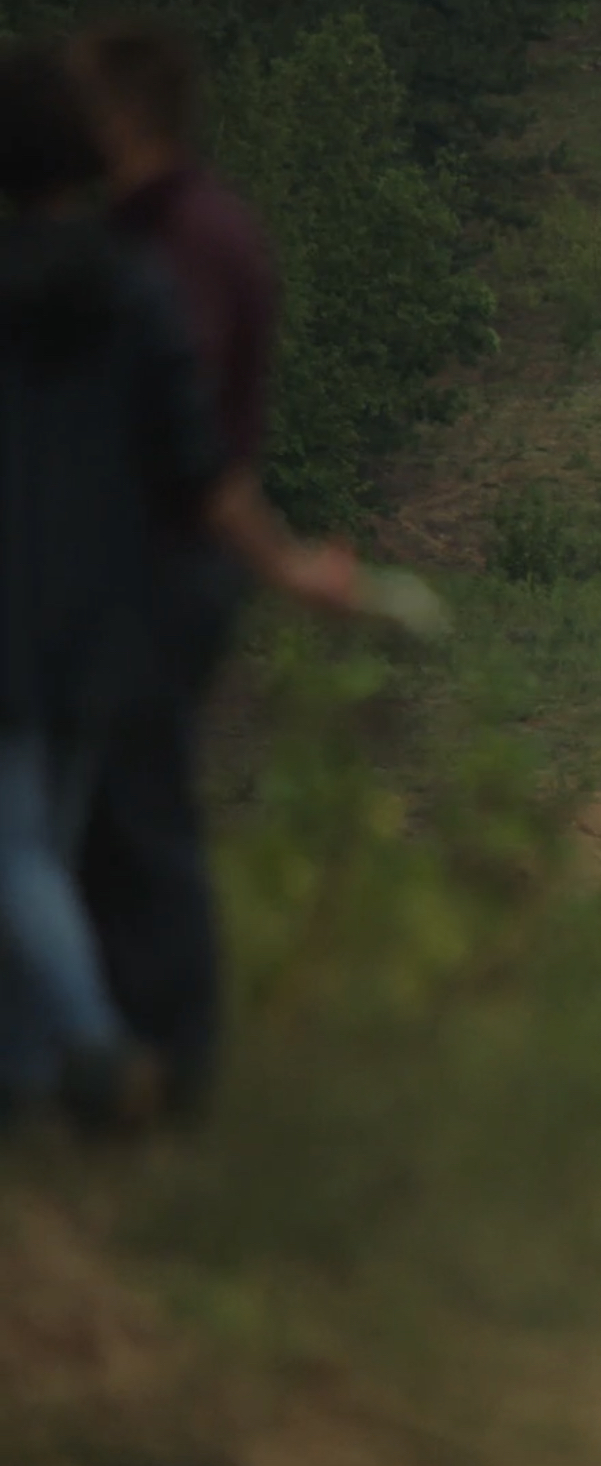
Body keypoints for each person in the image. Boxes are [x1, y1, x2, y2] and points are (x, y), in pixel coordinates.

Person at [66, 22, 358, 1123]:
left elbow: (185, 446)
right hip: (154, 563)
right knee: (117, 812)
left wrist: (281, 565)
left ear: (125, 114)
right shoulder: (182, 228)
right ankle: (132, 1062)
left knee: (137, 815)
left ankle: (172, 1072)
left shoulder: (180, 242)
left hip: (165, 566)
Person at [0, 40, 227, 1127]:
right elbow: (193, 463)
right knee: (45, 851)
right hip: (103, 627)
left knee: (19, 857)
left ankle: (90, 1046)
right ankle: (36, 1087)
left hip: (8, 621)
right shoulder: (135, 284)